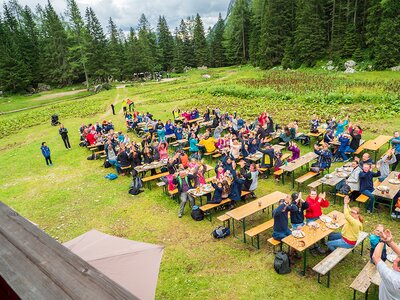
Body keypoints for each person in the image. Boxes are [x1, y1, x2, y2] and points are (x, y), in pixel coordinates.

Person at [372, 229, 400, 299]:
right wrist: (389, 241)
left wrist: (382, 240)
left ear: (398, 268)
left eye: (396, 260)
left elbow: (376, 257)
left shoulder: (390, 277)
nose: (394, 259)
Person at [305, 190, 329, 255]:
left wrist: (323, 198)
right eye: (312, 194)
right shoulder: (308, 201)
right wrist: (319, 200)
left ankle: (320, 241)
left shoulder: (317, 198)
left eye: (315, 194)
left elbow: (326, 205)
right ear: (310, 194)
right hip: (310, 219)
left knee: (320, 230)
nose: (314, 195)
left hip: (318, 217)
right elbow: (313, 208)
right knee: (312, 233)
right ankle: (312, 248)